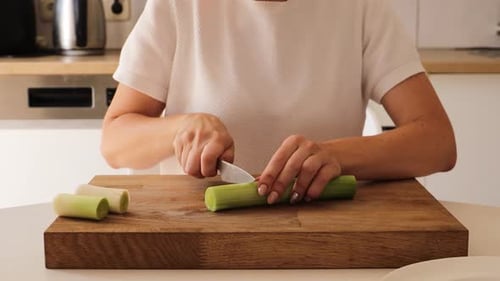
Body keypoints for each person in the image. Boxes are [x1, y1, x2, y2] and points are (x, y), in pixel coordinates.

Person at [101, 0, 456, 205]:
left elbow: (437, 142)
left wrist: (338, 156)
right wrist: (180, 127)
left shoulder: (360, 7)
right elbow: (114, 141)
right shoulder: (178, 4)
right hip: (195, 237)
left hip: (327, 239)